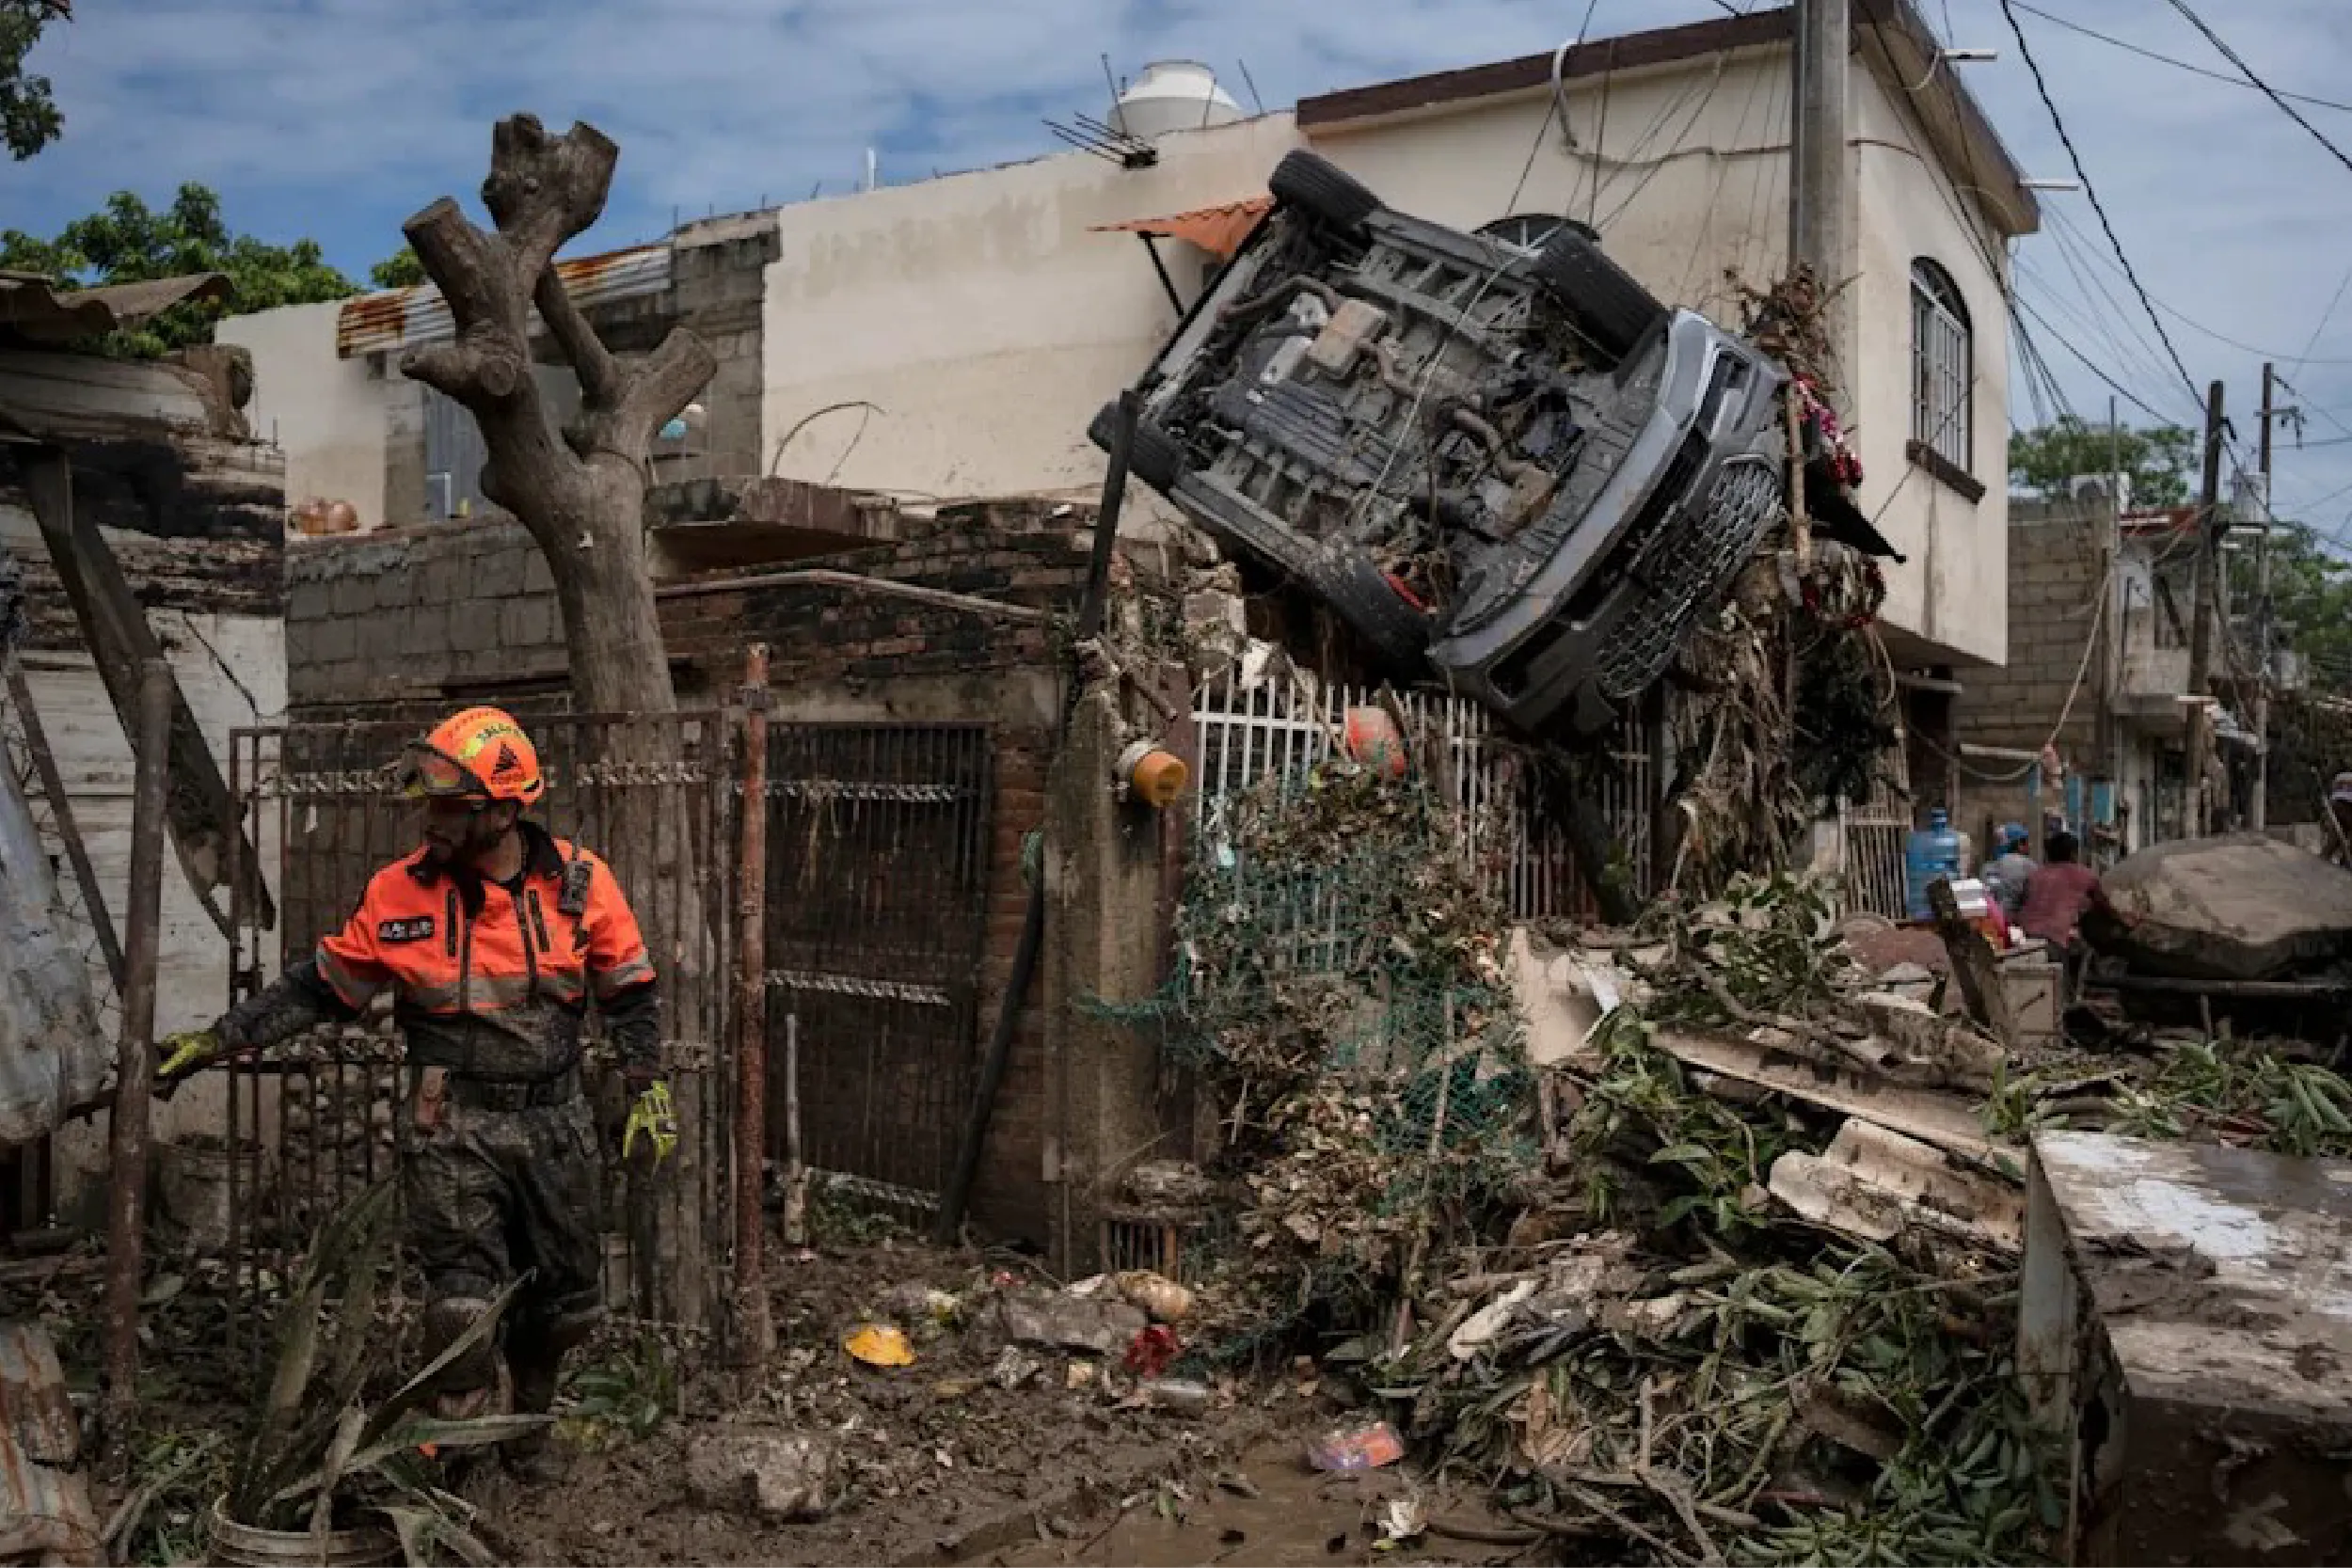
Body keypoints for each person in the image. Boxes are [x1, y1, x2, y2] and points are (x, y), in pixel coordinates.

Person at [155, 707, 669, 1481]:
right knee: (460, 1306)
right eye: (429, 802)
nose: (430, 819)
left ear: (502, 811)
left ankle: (527, 1434)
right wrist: (220, 1037)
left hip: (556, 1123)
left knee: (565, 1306)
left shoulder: (581, 884)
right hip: (451, 1123)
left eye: (450, 807)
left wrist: (645, 1087)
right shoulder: (398, 893)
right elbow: (322, 988)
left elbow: (629, 994)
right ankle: (455, 1463)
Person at [2017, 830, 2127, 953]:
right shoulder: (2084, 875)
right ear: (2073, 853)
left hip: (2023, 937)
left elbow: (2024, 902)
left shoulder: (2034, 876)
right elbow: (2104, 905)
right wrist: (2122, 921)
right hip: (2055, 940)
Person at [1983, 823, 2036, 924]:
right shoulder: (2028, 865)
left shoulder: (1986, 868)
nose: (2030, 846)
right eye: (2026, 842)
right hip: (2017, 923)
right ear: (2019, 844)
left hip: (1991, 922)